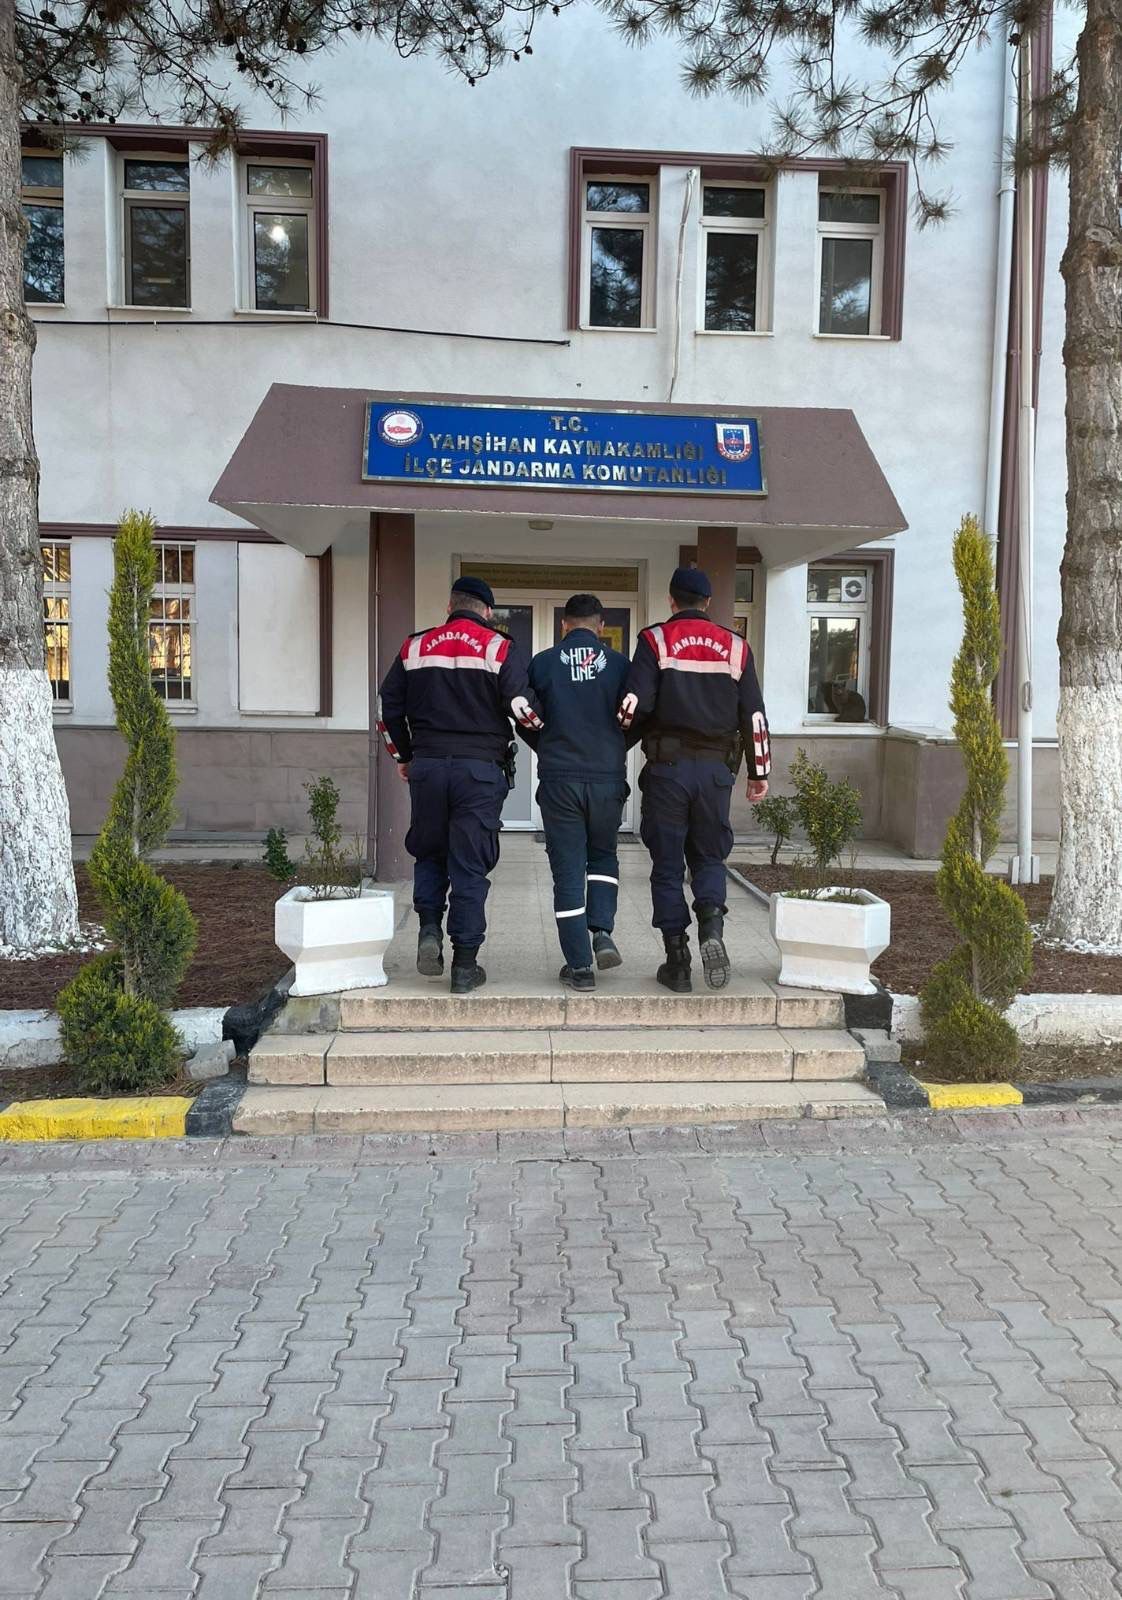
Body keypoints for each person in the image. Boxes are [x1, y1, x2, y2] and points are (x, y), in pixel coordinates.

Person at [377, 575, 543, 995]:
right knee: (469, 864)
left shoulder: (414, 647)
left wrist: (404, 757)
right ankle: (465, 967)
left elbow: (386, 708)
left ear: (450, 607)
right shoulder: (498, 647)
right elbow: (523, 708)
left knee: (430, 853)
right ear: (486, 611)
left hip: (428, 768)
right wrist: (548, 740)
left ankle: (429, 930)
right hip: (479, 773)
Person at [619, 565, 770, 993]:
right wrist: (759, 772)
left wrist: (616, 742)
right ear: (707, 602)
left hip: (668, 770)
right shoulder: (737, 647)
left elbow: (633, 705)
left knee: (667, 866)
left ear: (671, 600)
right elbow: (754, 716)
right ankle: (711, 928)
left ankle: (677, 962)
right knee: (709, 858)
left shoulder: (656, 640)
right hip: (716, 773)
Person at [519, 594, 633, 992]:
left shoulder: (543, 663)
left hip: (560, 779)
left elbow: (524, 717)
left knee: (568, 870)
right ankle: (601, 931)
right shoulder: (620, 665)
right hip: (606, 779)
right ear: (601, 626)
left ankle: (580, 967)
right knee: (603, 856)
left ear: (563, 624)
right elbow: (637, 716)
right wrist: (614, 750)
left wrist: (548, 749)